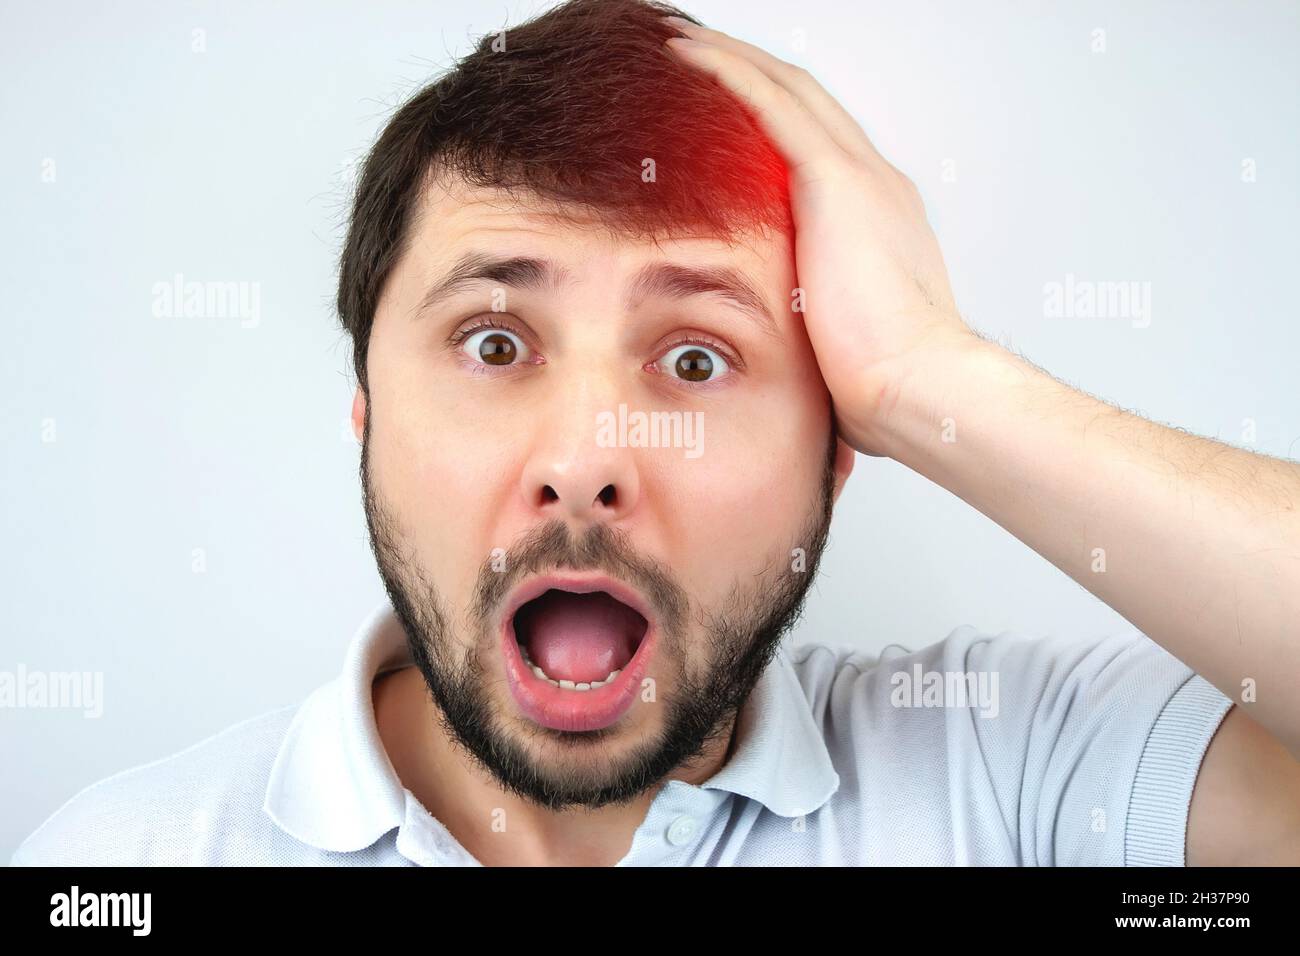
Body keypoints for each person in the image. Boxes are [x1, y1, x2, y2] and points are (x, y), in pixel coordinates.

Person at [11, 0, 1299, 867]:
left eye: (696, 357)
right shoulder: (121, 863)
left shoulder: (1018, 782)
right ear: (365, 416)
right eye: (496, 343)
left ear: (838, 453)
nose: (587, 454)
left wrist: (924, 372)